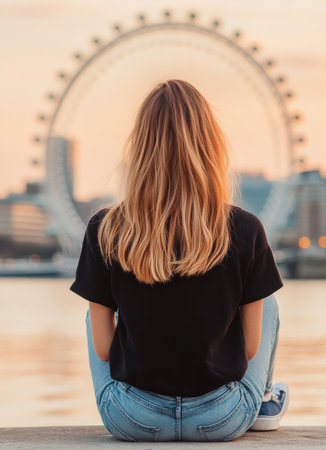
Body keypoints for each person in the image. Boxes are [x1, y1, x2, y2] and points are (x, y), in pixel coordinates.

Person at [69, 79, 289, 442]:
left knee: (98, 311)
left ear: (139, 149)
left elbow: (105, 349)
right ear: (211, 146)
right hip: (221, 419)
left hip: (132, 418)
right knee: (266, 300)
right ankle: (263, 400)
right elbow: (250, 349)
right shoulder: (246, 229)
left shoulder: (104, 229)